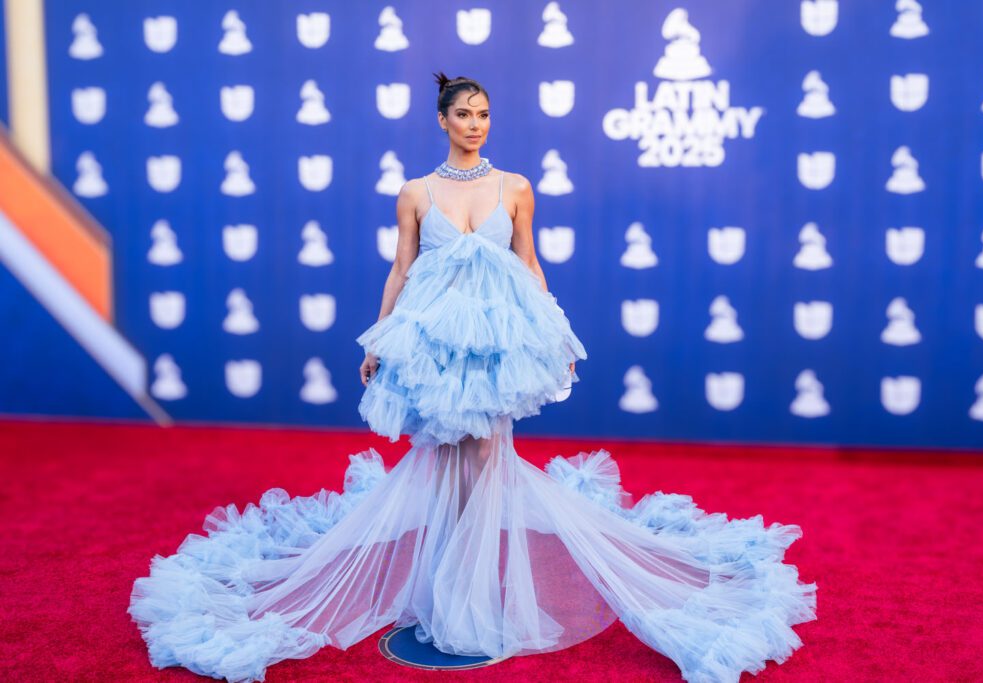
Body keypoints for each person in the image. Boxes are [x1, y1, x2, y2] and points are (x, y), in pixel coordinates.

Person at [128, 72, 817, 683]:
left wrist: (553, 332)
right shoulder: (415, 191)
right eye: (464, 114)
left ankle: (468, 596)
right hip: (434, 345)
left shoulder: (515, 187)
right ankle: (449, 590)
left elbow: (529, 264)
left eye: (483, 113)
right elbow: (401, 268)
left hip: (495, 347)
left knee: (488, 453)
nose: (475, 123)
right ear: (442, 120)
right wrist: (379, 338)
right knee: (444, 458)